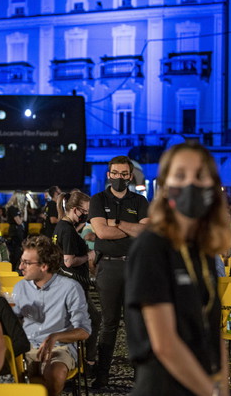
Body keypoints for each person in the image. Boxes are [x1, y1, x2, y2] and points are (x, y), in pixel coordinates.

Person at [125, 142, 231, 395]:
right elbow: (164, 344)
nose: (191, 184)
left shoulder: (202, 248)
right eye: (180, 175)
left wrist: (222, 385)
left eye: (200, 176)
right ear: (165, 187)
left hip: (203, 381)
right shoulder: (151, 246)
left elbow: (213, 329)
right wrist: (211, 393)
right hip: (164, 386)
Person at [88, 155, 149, 389]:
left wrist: (118, 223)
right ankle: (102, 375)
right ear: (109, 174)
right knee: (109, 323)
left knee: (136, 323)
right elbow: (101, 233)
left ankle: (140, 376)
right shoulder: (98, 199)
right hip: (109, 266)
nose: (120, 178)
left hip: (135, 266)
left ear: (130, 176)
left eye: (124, 174)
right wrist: (132, 228)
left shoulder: (140, 200)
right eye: (116, 174)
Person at [14, 236, 91, 396]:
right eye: (22, 261)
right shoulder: (20, 287)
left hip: (59, 348)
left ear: (44, 266)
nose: (21, 267)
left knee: (54, 373)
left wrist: (54, 337)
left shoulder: (70, 288)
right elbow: (11, 322)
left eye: (27, 263)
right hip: (25, 348)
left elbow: (84, 331)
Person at [53, 191, 101, 373]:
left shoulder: (63, 226)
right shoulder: (67, 230)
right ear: (75, 209)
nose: (87, 214)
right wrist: (88, 255)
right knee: (94, 319)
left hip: (68, 285)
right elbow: (69, 261)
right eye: (85, 211)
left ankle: (83, 360)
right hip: (72, 286)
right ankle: (88, 363)